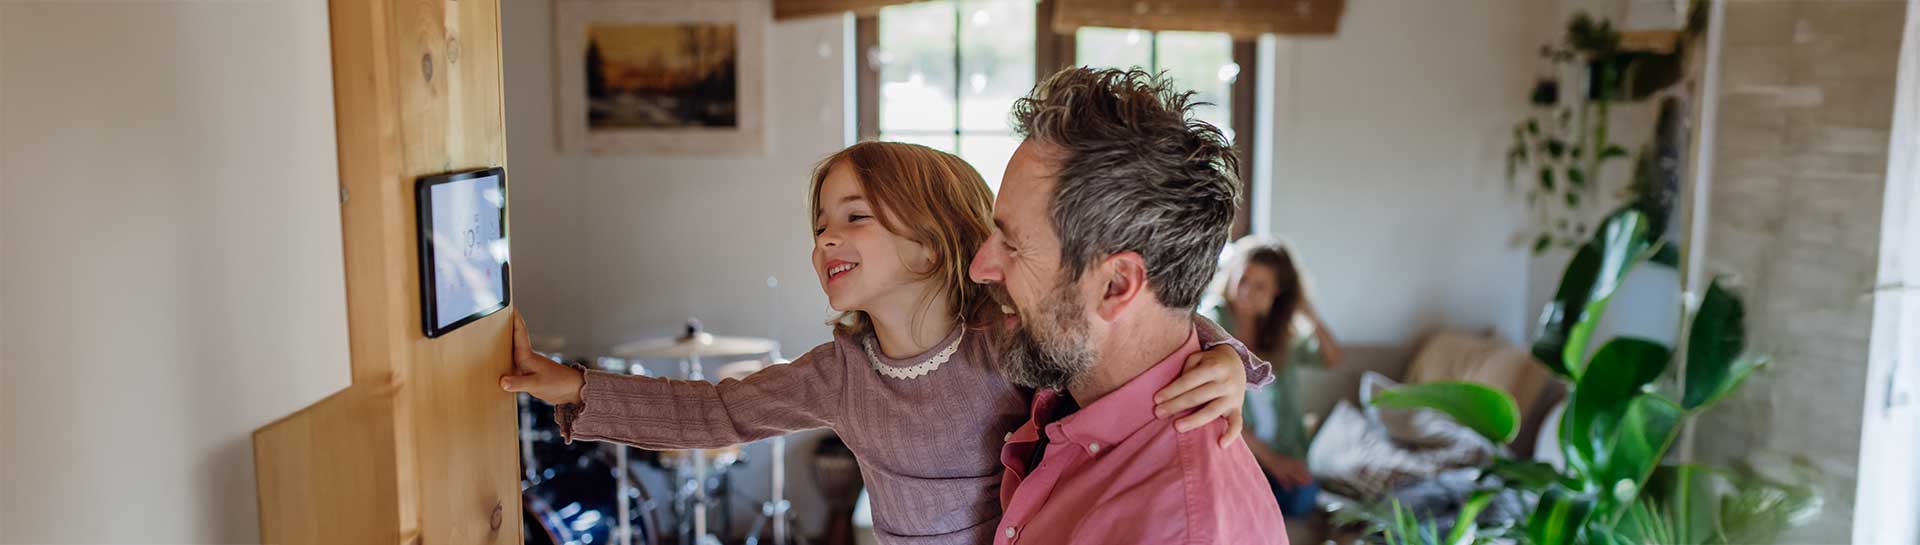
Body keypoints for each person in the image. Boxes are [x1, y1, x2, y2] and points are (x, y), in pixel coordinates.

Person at [501, 141, 1272, 545]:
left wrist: (1226, 359)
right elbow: (716, 413)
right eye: (820, 224)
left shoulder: (1007, 343)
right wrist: (574, 386)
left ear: (933, 247)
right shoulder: (838, 374)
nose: (826, 237)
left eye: (854, 216)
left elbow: (1121, 338)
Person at [969, 67, 1287, 545]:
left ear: (1117, 285)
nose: (980, 267)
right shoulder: (1070, 374)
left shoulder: (1180, 529)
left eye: (1014, 246)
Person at [1203, 236, 1345, 517]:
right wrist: (1272, 461)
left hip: (1282, 453)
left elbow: (1332, 358)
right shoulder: (1212, 322)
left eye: (1260, 287)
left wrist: (1305, 308)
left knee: (1303, 497)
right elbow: (1215, 411)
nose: (1246, 291)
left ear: (1277, 292)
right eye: (1242, 280)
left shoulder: (1280, 335)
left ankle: (1251, 511)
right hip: (1237, 455)